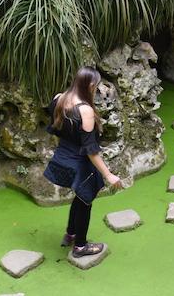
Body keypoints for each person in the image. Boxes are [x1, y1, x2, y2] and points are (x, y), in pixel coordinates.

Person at [43, 66, 124, 257]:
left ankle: (70, 234)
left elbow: (55, 129)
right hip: (80, 163)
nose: (97, 89)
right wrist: (108, 175)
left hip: (62, 158)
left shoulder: (58, 99)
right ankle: (80, 246)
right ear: (89, 85)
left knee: (79, 197)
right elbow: (91, 150)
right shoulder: (85, 110)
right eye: (96, 85)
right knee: (86, 200)